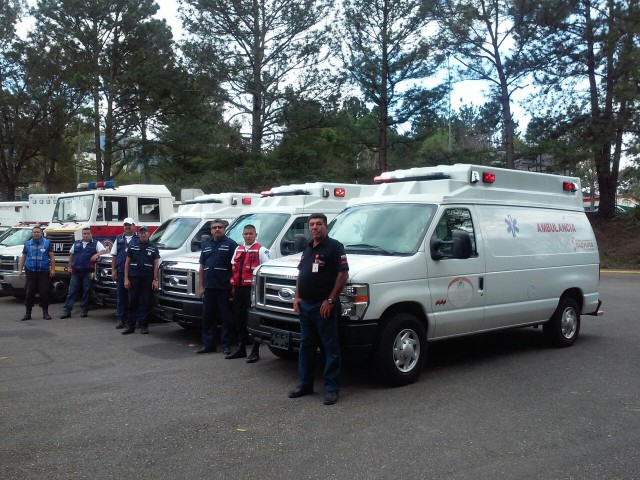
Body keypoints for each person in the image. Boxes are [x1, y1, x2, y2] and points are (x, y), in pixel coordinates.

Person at [289, 213, 349, 406]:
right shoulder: (308, 248)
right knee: (306, 346)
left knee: (330, 348)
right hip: (305, 306)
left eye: (319, 224)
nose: (315, 228)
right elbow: (301, 274)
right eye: (312, 225)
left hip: (324, 307)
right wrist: (297, 297)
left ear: (326, 227)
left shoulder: (334, 247)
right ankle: (305, 384)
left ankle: (331, 389)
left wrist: (331, 300)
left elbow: (343, 274)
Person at [226, 224, 270, 361]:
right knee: (239, 319)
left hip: (252, 291)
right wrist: (233, 288)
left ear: (256, 235)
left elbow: (266, 271)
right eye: (246, 234)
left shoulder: (262, 250)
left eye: (251, 233)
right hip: (239, 290)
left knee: (252, 320)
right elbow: (234, 269)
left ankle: (255, 351)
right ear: (242, 235)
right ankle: (241, 348)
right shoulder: (238, 249)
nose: (248, 236)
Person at [196, 219, 238, 355]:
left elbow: (235, 267)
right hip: (209, 288)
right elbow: (202, 267)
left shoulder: (231, 244)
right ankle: (208, 345)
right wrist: (201, 286)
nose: (217, 229)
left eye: (220, 227)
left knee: (226, 318)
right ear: (211, 231)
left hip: (224, 288)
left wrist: (233, 286)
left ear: (224, 229)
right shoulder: (207, 246)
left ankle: (226, 345)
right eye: (214, 227)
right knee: (208, 317)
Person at [60, 227, 108, 318]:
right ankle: (67, 311)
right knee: (71, 292)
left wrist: (97, 254)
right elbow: (71, 255)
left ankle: (84, 310)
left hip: (88, 272)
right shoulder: (76, 243)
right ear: (82, 235)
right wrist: (69, 267)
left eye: (87, 233)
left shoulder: (96, 243)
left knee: (86, 292)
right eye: (84, 234)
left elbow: (106, 251)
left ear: (91, 234)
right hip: (76, 271)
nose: (86, 235)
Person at [121, 225, 159, 335]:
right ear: (139, 234)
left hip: (147, 279)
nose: (143, 234)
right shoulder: (133, 246)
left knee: (146, 302)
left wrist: (155, 279)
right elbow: (127, 263)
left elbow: (156, 264)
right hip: (134, 278)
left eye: (145, 233)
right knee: (132, 302)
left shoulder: (153, 247)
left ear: (149, 234)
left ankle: (144, 325)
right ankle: (130, 326)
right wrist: (126, 279)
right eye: (141, 233)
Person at [18, 225, 56, 320]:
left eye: (38, 232)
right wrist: (20, 269)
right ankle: (28, 313)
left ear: (41, 233)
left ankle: (45, 312)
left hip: (43, 271)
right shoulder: (27, 244)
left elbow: (51, 257)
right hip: (30, 271)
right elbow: (23, 257)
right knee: (30, 292)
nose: (36, 233)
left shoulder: (47, 243)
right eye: (34, 232)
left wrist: (52, 269)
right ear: (32, 233)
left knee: (44, 292)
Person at [110, 218, 138, 329]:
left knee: (134, 298)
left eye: (129, 225)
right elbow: (114, 255)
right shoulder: (119, 238)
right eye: (125, 225)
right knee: (121, 297)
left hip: (135, 273)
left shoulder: (138, 238)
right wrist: (113, 270)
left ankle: (132, 321)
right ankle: (120, 319)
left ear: (134, 226)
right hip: (121, 272)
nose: (127, 227)